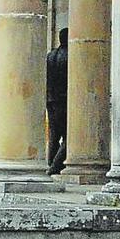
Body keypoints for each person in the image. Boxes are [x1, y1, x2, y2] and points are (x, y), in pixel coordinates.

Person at [46, 27, 69, 176]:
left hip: (51, 100)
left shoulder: (50, 55)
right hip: (65, 99)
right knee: (70, 136)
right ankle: (55, 166)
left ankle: (50, 164)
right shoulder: (70, 55)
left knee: (54, 135)